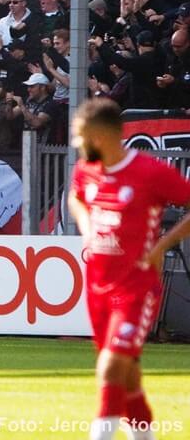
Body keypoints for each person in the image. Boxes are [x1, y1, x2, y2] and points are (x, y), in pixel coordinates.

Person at [67, 99, 190, 440]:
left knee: (110, 366)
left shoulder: (150, 172)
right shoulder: (87, 168)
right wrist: (88, 228)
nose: (78, 144)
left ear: (102, 136)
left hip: (136, 287)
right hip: (98, 286)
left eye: (81, 136)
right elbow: (76, 197)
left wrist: (162, 245)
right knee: (128, 374)